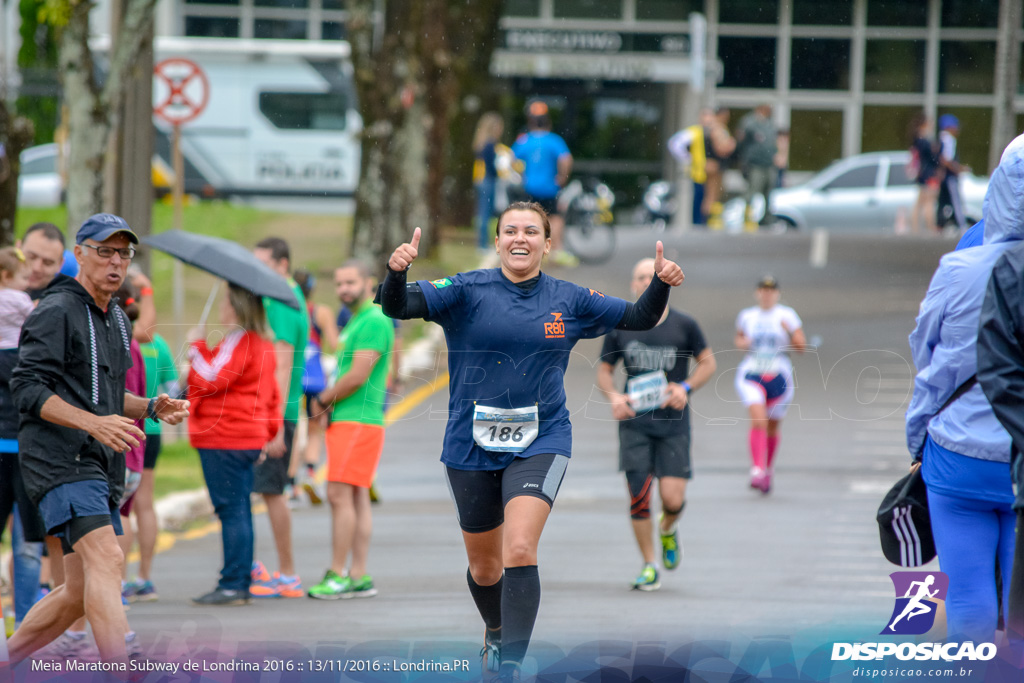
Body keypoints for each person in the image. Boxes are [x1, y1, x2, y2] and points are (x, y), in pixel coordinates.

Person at [379, 201, 685, 682]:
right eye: (509, 231)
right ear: (497, 240)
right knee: (485, 569)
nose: (519, 239)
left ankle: (512, 668)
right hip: (469, 443)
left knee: (519, 548)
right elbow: (395, 304)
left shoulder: (570, 298)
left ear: (548, 242)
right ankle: (497, 632)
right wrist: (397, 273)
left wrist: (661, 281)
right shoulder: (465, 289)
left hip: (542, 438)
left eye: (530, 232)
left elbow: (640, 317)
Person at [7, 213, 189, 664]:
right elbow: (28, 389)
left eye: (123, 253)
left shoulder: (116, 320)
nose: (115, 261)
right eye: (103, 251)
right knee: (108, 556)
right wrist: (92, 423)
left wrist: (149, 407)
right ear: (80, 255)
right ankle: (123, 667)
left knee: (78, 592)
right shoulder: (56, 310)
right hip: (58, 457)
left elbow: (104, 395)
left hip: (97, 461)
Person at [906, 133, 1024, 642]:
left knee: (969, 597)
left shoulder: (959, 267)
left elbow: (926, 354)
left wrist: (917, 438)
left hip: (959, 452)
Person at [597, 258, 716, 591]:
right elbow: (605, 371)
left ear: (663, 284)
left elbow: (707, 363)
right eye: (640, 277)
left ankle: (667, 528)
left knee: (673, 499)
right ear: (633, 285)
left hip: (673, 423)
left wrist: (686, 387)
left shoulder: (684, 325)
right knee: (639, 498)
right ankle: (649, 564)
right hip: (634, 423)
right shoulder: (621, 325)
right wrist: (614, 398)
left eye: (652, 277)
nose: (647, 282)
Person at [187, 283, 282, 606]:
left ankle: (232, 583)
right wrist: (266, 432)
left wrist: (195, 347)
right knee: (239, 508)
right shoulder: (262, 343)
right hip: (246, 435)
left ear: (236, 307)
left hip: (224, 434)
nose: (220, 308)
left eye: (225, 302)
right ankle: (238, 580)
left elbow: (213, 377)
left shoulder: (241, 339)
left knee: (231, 510)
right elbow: (270, 395)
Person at [307, 261, 394, 599]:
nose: (344, 289)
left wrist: (322, 400)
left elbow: (358, 374)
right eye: (339, 283)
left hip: (357, 419)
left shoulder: (372, 320)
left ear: (369, 283)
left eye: (350, 282)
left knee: (338, 495)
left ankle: (337, 574)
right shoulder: (358, 320)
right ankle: (357, 574)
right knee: (356, 496)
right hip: (354, 420)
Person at [250, 237, 308, 598]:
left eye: (263, 263)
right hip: (271, 410)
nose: (258, 271)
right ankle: (264, 567)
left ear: (282, 265)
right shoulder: (280, 297)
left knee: (272, 492)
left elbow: (282, 364)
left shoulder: (284, 300)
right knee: (266, 490)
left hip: (275, 413)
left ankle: (287, 573)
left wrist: (273, 425)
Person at [123, 271, 175, 602]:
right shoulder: (160, 345)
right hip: (153, 430)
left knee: (123, 508)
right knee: (146, 505)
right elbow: (172, 388)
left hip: (128, 426)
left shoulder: (125, 341)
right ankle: (145, 576)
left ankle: (119, 579)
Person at [734, 275, 806, 494]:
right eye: (763, 291)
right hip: (752, 371)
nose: (767, 295)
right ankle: (757, 468)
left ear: (777, 294)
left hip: (779, 373)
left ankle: (768, 468)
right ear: (758, 293)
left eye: (771, 291)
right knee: (758, 419)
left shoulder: (787, 315)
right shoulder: (747, 316)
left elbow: (801, 347)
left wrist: (790, 332)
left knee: (773, 425)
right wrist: (742, 343)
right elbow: (739, 339)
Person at [292, 269, 338, 506]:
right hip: (315, 377)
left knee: (291, 428)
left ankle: (290, 485)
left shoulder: (287, 311)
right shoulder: (321, 312)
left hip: (291, 376)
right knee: (314, 427)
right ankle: (310, 472)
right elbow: (336, 344)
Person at [511, 101, 576, 267]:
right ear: (547, 120)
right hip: (550, 187)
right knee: (555, 217)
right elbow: (566, 159)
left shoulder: (524, 141)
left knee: (532, 218)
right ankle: (555, 250)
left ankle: (534, 251)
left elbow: (511, 160)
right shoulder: (554, 140)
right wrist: (563, 177)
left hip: (530, 187)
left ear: (530, 121)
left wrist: (521, 175)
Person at [735, 104, 779, 230]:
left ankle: (767, 218)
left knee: (768, 191)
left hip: (768, 163)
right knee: (753, 190)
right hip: (755, 164)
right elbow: (742, 139)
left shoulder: (769, 124)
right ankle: (747, 217)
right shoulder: (750, 122)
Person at [667, 114, 708, 227]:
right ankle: (697, 223)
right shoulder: (695, 132)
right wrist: (688, 159)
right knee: (698, 198)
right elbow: (674, 144)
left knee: (704, 199)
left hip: (708, 174)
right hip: (698, 173)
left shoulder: (710, 132)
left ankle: (701, 223)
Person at [474, 112, 506, 252]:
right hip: (488, 180)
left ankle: (482, 242)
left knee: (483, 212)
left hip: (481, 180)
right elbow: (491, 166)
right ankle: (482, 244)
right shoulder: (490, 145)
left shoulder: (482, 144)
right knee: (485, 213)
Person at [908, 112, 940, 235]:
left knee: (920, 202)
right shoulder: (924, 142)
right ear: (924, 125)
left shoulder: (917, 140)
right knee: (929, 201)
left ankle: (915, 227)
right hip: (928, 174)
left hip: (922, 174)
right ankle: (930, 226)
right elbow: (933, 158)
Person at [704, 107, 736, 229]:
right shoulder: (717, 128)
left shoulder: (717, 127)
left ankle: (710, 219)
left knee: (714, 193)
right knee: (712, 194)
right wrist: (731, 145)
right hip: (715, 165)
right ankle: (708, 221)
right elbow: (720, 148)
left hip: (717, 165)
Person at [936, 114, 967, 232]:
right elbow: (946, 159)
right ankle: (962, 225)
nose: (957, 129)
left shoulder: (940, 138)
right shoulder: (949, 139)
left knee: (942, 202)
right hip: (949, 177)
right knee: (956, 201)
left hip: (943, 177)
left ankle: (940, 225)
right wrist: (958, 168)